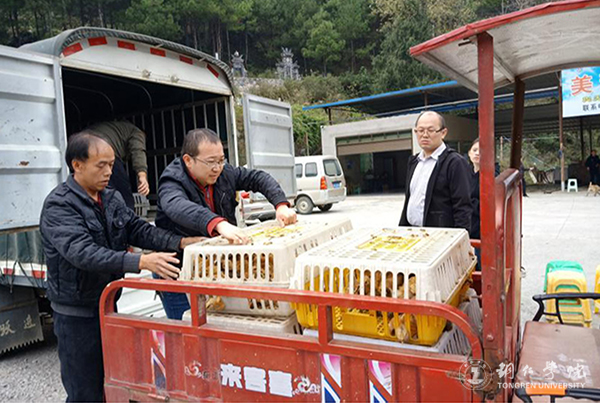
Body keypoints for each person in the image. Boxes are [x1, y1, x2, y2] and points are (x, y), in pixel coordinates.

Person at [39, 132, 203, 402]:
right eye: (101, 165)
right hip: (76, 314)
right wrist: (141, 261)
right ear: (77, 165)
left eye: (112, 165)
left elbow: (139, 230)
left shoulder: (110, 198)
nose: (108, 172)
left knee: (114, 382)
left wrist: (181, 242)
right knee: (85, 392)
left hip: (107, 305)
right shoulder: (59, 205)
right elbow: (83, 253)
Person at [154, 128, 297, 319]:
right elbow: (177, 206)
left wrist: (280, 205)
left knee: (220, 323)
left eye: (221, 160)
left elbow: (258, 178)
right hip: (177, 269)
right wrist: (218, 224)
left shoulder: (224, 173)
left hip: (215, 267)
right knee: (186, 326)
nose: (217, 168)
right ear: (188, 160)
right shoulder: (172, 181)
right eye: (210, 162)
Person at [399, 111, 472, 231]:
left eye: (430, 130)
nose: (425, 135)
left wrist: (461, 237)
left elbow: (463, 206)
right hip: (412, 232)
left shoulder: (455, 163)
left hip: (440, 235)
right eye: (420, 130)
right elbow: (409, 199)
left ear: (443, 133)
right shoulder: (414, 161)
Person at [86, 120, 150, 210]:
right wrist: (142, 176)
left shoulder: (118, 128)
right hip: (103, 150)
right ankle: (128, 214)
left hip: (83, 151)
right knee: (123, 191)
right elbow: (138, 151)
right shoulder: (136, 132)